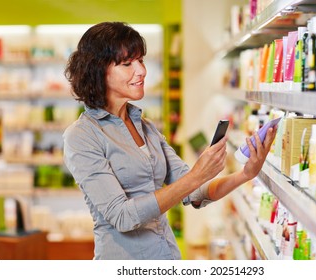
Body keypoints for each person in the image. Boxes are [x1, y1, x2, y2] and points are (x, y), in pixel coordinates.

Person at [63, 21, 277, 260]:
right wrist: (196, 175)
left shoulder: (146, 128)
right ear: (97, 71)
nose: (142, 70)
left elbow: (195, 192)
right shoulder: (82, 136)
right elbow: (122, 217)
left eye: (141, 60)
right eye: (127, 63)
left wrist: (245, 174)